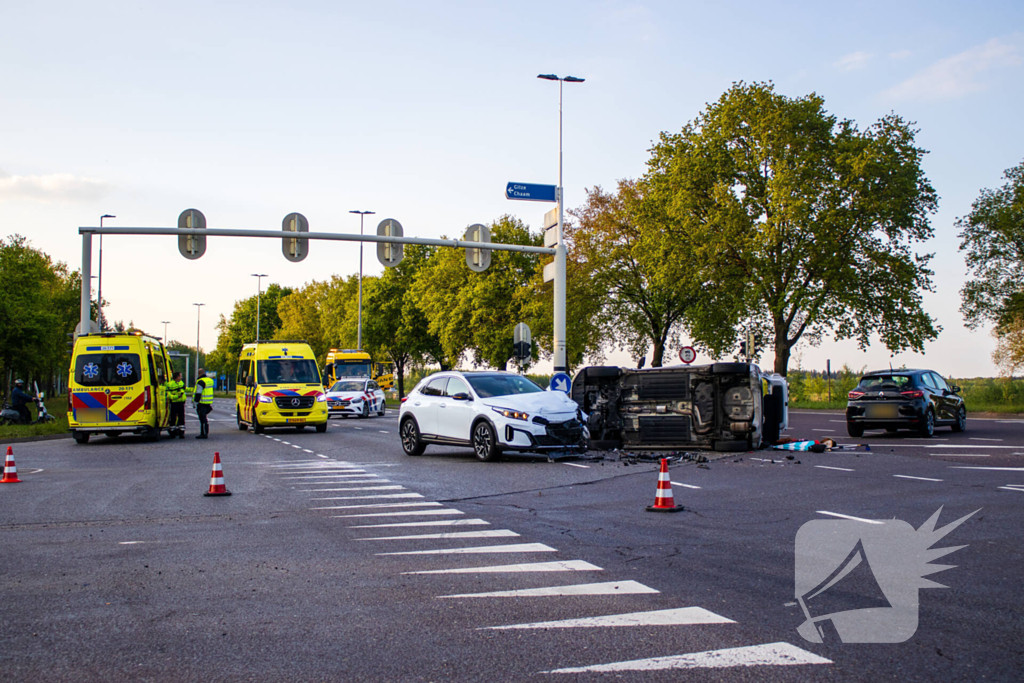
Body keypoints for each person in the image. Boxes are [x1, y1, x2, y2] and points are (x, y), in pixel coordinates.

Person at [193, 368, 215, 439]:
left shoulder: (200, 381)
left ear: (199, 374)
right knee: (204, 418)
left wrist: (195, 402)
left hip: (201, 402)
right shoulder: (210, 380)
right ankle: (205, 432)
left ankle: (203, 433)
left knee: (202, 419)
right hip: (208, 402)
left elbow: (198, 393)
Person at [165, 371, 186, 439]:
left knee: (181, 418)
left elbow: (184, 389)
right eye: (180, 376)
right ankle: (172, 433)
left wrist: (193, 389)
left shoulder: (181, 383)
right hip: (174, 403)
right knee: (173, 418)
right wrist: (177, 397)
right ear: (177, 377)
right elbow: (169, 395)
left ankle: (181, 433)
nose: (181, 377)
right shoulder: (170, 384)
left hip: (181, 403)